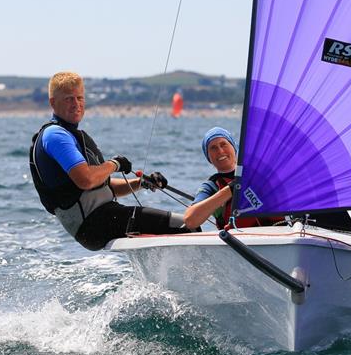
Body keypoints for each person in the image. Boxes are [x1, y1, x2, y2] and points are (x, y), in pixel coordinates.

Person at [29, 71, 193, 251]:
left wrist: (142, 183)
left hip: (101, 220)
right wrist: (114, 164)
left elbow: (103, 185)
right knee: (188, 225)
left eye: (79, 98)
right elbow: (86, 180)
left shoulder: (69, 134)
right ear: (53, 102)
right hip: (95, 223)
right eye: (69, 99)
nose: (76, 104)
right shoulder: (55, 135)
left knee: (176, 226)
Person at [183, 127, 284, 230]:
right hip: (240, 242)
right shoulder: (211, 187)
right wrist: (233, 188)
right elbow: (190, 220)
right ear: (209, 158)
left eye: (223, 144)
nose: (220, 151)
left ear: (234, 147)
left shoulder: (260, 174)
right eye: (213, 148)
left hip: (279, 236)